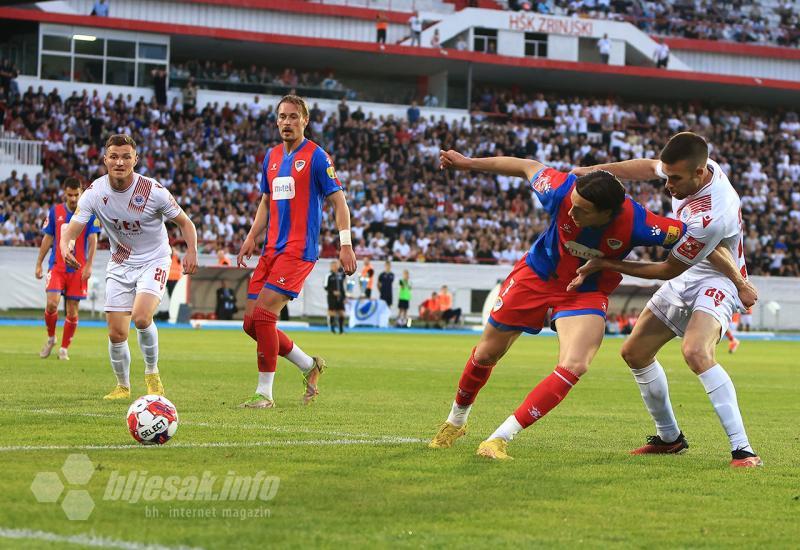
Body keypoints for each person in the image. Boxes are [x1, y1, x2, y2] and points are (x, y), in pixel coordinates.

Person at [428, 148, 743, 460]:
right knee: (486, 353)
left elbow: (703, 243)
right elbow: (526, 166)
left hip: (585, 291)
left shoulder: (641, 224)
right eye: (572, 206)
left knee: (575, 364)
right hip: (537, 275)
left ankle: (499, 438)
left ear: (609, 214)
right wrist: (469, 163)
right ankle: (456, 421)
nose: (571, 213)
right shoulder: (562, 191)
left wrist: (739, 282)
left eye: (582, 211)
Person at [570, 132, 762, 467]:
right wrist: (592, 170)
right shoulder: (696, 170)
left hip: (711, 280)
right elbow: (647, 168)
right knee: (635, 352)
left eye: (675, 178)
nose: (668, 184)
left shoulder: (712, 213)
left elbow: (665, 269)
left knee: (695, 351)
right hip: (693, 267)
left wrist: (606, 263)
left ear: (699, 175)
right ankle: (669, 439)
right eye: (668, 175)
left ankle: (743, 450)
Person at [236, 94, 357, 409]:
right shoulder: (272, 156)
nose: (287, 122)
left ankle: (264, 394)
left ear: (305, 121)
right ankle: (308, 365)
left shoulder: (317, 157)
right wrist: (251, 237)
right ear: (276, 121)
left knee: (264, 315)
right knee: (251, 323)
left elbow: (339, 201)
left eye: (293, 117)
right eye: (282, 117)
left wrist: (345, 244)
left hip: (298, 250)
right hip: (270, 249)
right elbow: (266, 201)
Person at [60, 134, 198, 399]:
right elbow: (73, 228)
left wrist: (191, 250)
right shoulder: (95, 192)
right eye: (114, 156)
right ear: (105, 160)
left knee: (142, 317)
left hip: (154, 260)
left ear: (135, 159)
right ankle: (123, 386)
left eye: (125, 156)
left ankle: (152, 373)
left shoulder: (153, 191)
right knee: (116, 333)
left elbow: (185, 223)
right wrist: (66, 243)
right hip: (121, 263)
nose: (119, 162)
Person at [35, 177, 101, 361]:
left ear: (81, 193)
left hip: (78, 269)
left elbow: (92, 240)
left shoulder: (89, 213)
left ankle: (64, 348)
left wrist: (89, 265)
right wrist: (39, 263)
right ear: (65, 193)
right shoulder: (55, 211)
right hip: (57, 266)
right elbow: (47, 238)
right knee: (52, 304)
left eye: (76, 194)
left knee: (72, 311)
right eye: (70, 195)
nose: (73, 198)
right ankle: (51, 338)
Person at [325, 260, 347, 334]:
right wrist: (333, 292)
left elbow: (342, 287)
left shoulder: (340, 275)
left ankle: (341, 330)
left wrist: (344, 297)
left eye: (336, 265)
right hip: (331, 297)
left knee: (342, 313)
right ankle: (332, 329)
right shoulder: (328, 275)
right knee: (332, 312)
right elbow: (325, 286)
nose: (335, 267)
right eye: (334, 266)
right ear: (331, 267)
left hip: (340, 297)